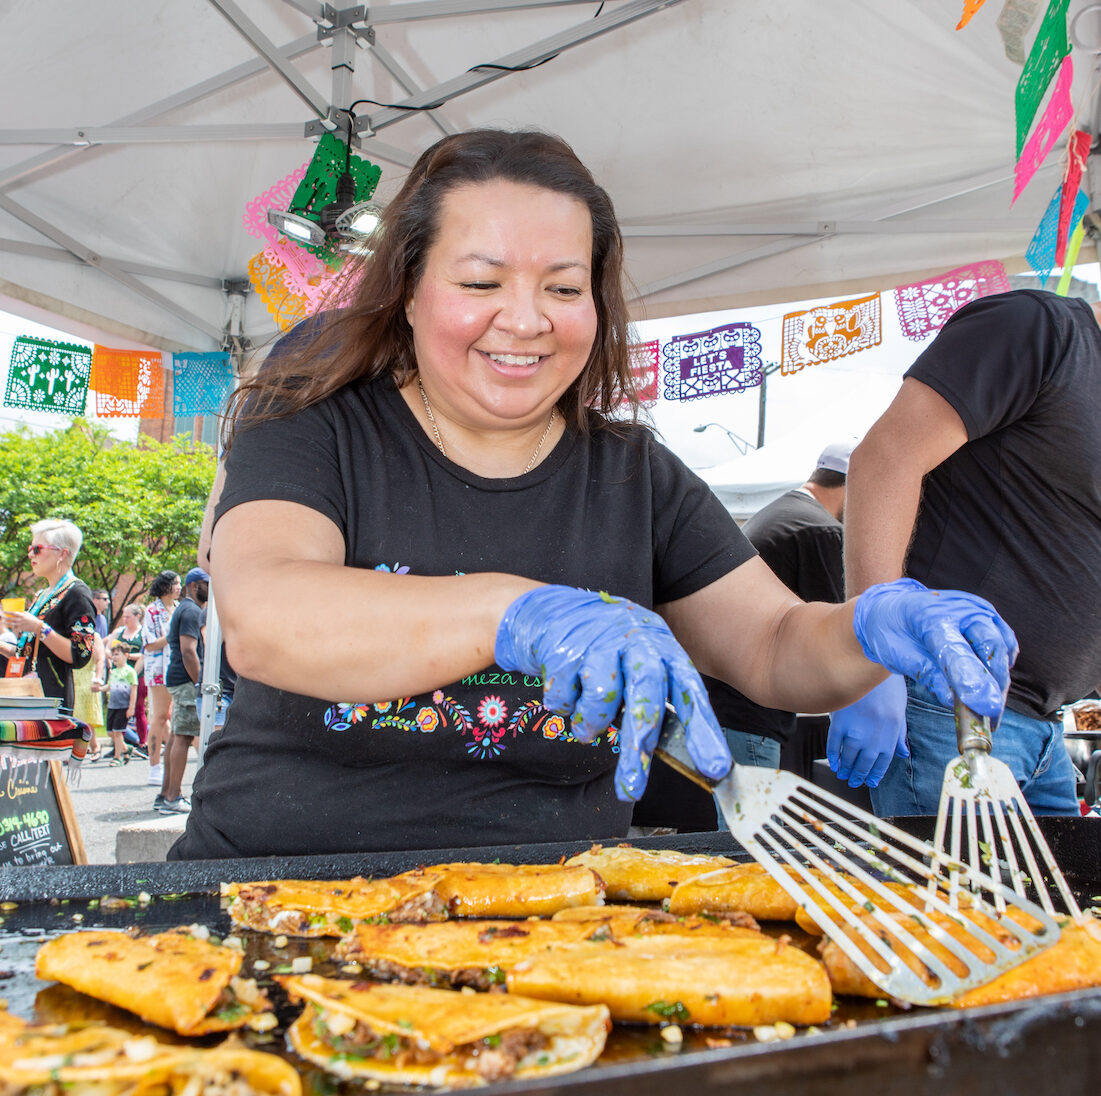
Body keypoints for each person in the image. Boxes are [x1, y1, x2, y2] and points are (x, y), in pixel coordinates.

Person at [169, 129, 1017, 861]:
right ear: (410, 289)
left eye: (564, 288)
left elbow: (774, 645)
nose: (526, 317)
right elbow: (266, 614)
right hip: (275, 893)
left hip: (556, 923)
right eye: (480, 282)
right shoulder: (317, 421)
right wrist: (516, 614)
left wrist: (872, 623)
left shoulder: (631, 472)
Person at [831, 287, 1101, 817]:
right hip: (948, 711)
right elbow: (885, 459)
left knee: (1058, 901)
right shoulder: (1039, 330)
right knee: (952, 901)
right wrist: (871, 660)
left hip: (1044, 734)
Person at [707, 440, 854, 769]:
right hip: (750, 715)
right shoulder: (820, 530)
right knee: (749, 820)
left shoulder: (779, 513)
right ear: (853, 485)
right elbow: (836, 641)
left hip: (724, 705)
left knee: (733, 818)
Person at [0, 519, 96, 712]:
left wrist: (39, 628)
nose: (30, 554)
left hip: (50, 700)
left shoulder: (76, 593)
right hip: (27, 695)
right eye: (30, 548)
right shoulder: (42, 595)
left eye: (37, 548)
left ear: (62, 553)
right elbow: (26, 653)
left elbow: (80, 654)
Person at [156, 567, 208, 815]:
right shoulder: (191, 611)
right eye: (208, 584)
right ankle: (172, 797)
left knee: (178, 735)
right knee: (185, 737)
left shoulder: (185, 608)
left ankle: (166, 794)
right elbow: (189, 651)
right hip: (186, 680)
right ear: (196, 585)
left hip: (178, 678)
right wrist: (201, 684)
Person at [142, 571, 180, 788]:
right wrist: (173, 635)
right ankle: (154, 766)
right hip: (158, 668)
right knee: (159, 716)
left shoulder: (179, 608)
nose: (178, 588)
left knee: (171, 717)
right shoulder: (152, 610)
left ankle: (168, 761)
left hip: (176, 666)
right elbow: (149, 643)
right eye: (175, 584)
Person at [110, 603, 149, 756]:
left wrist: (129, 659)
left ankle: (142, 743)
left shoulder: (143, 633)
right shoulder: (119, 632)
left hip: (136, 675)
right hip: (118, 677)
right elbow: (109, 648)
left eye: (128, 616)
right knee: (117, 710)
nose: (124, 619)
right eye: (123, 616)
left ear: (138, 616)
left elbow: (145, 653)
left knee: (137, 709)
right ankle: (119, 746)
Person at [100, 640, 138, 765]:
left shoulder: (130, 671)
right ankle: (127, 748)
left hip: (123, 706)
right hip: (113, 705)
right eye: (113, 655)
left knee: (118, 732)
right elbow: (109, 686)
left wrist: (131, 707)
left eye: (117, 654)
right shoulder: (114, 672)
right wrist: (99, 689)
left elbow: (133, 690)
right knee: (110, 732)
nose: (114, 657)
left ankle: (117, 757)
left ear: (126, 655)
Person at [71, 629, 106, 761]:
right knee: (73, 715)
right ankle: (74, 748)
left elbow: (100, 659)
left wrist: (97, 679)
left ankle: (95, 746)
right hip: (72, 677)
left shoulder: (94, 636)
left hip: (87, 677)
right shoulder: (70, 634)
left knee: (87, 716)